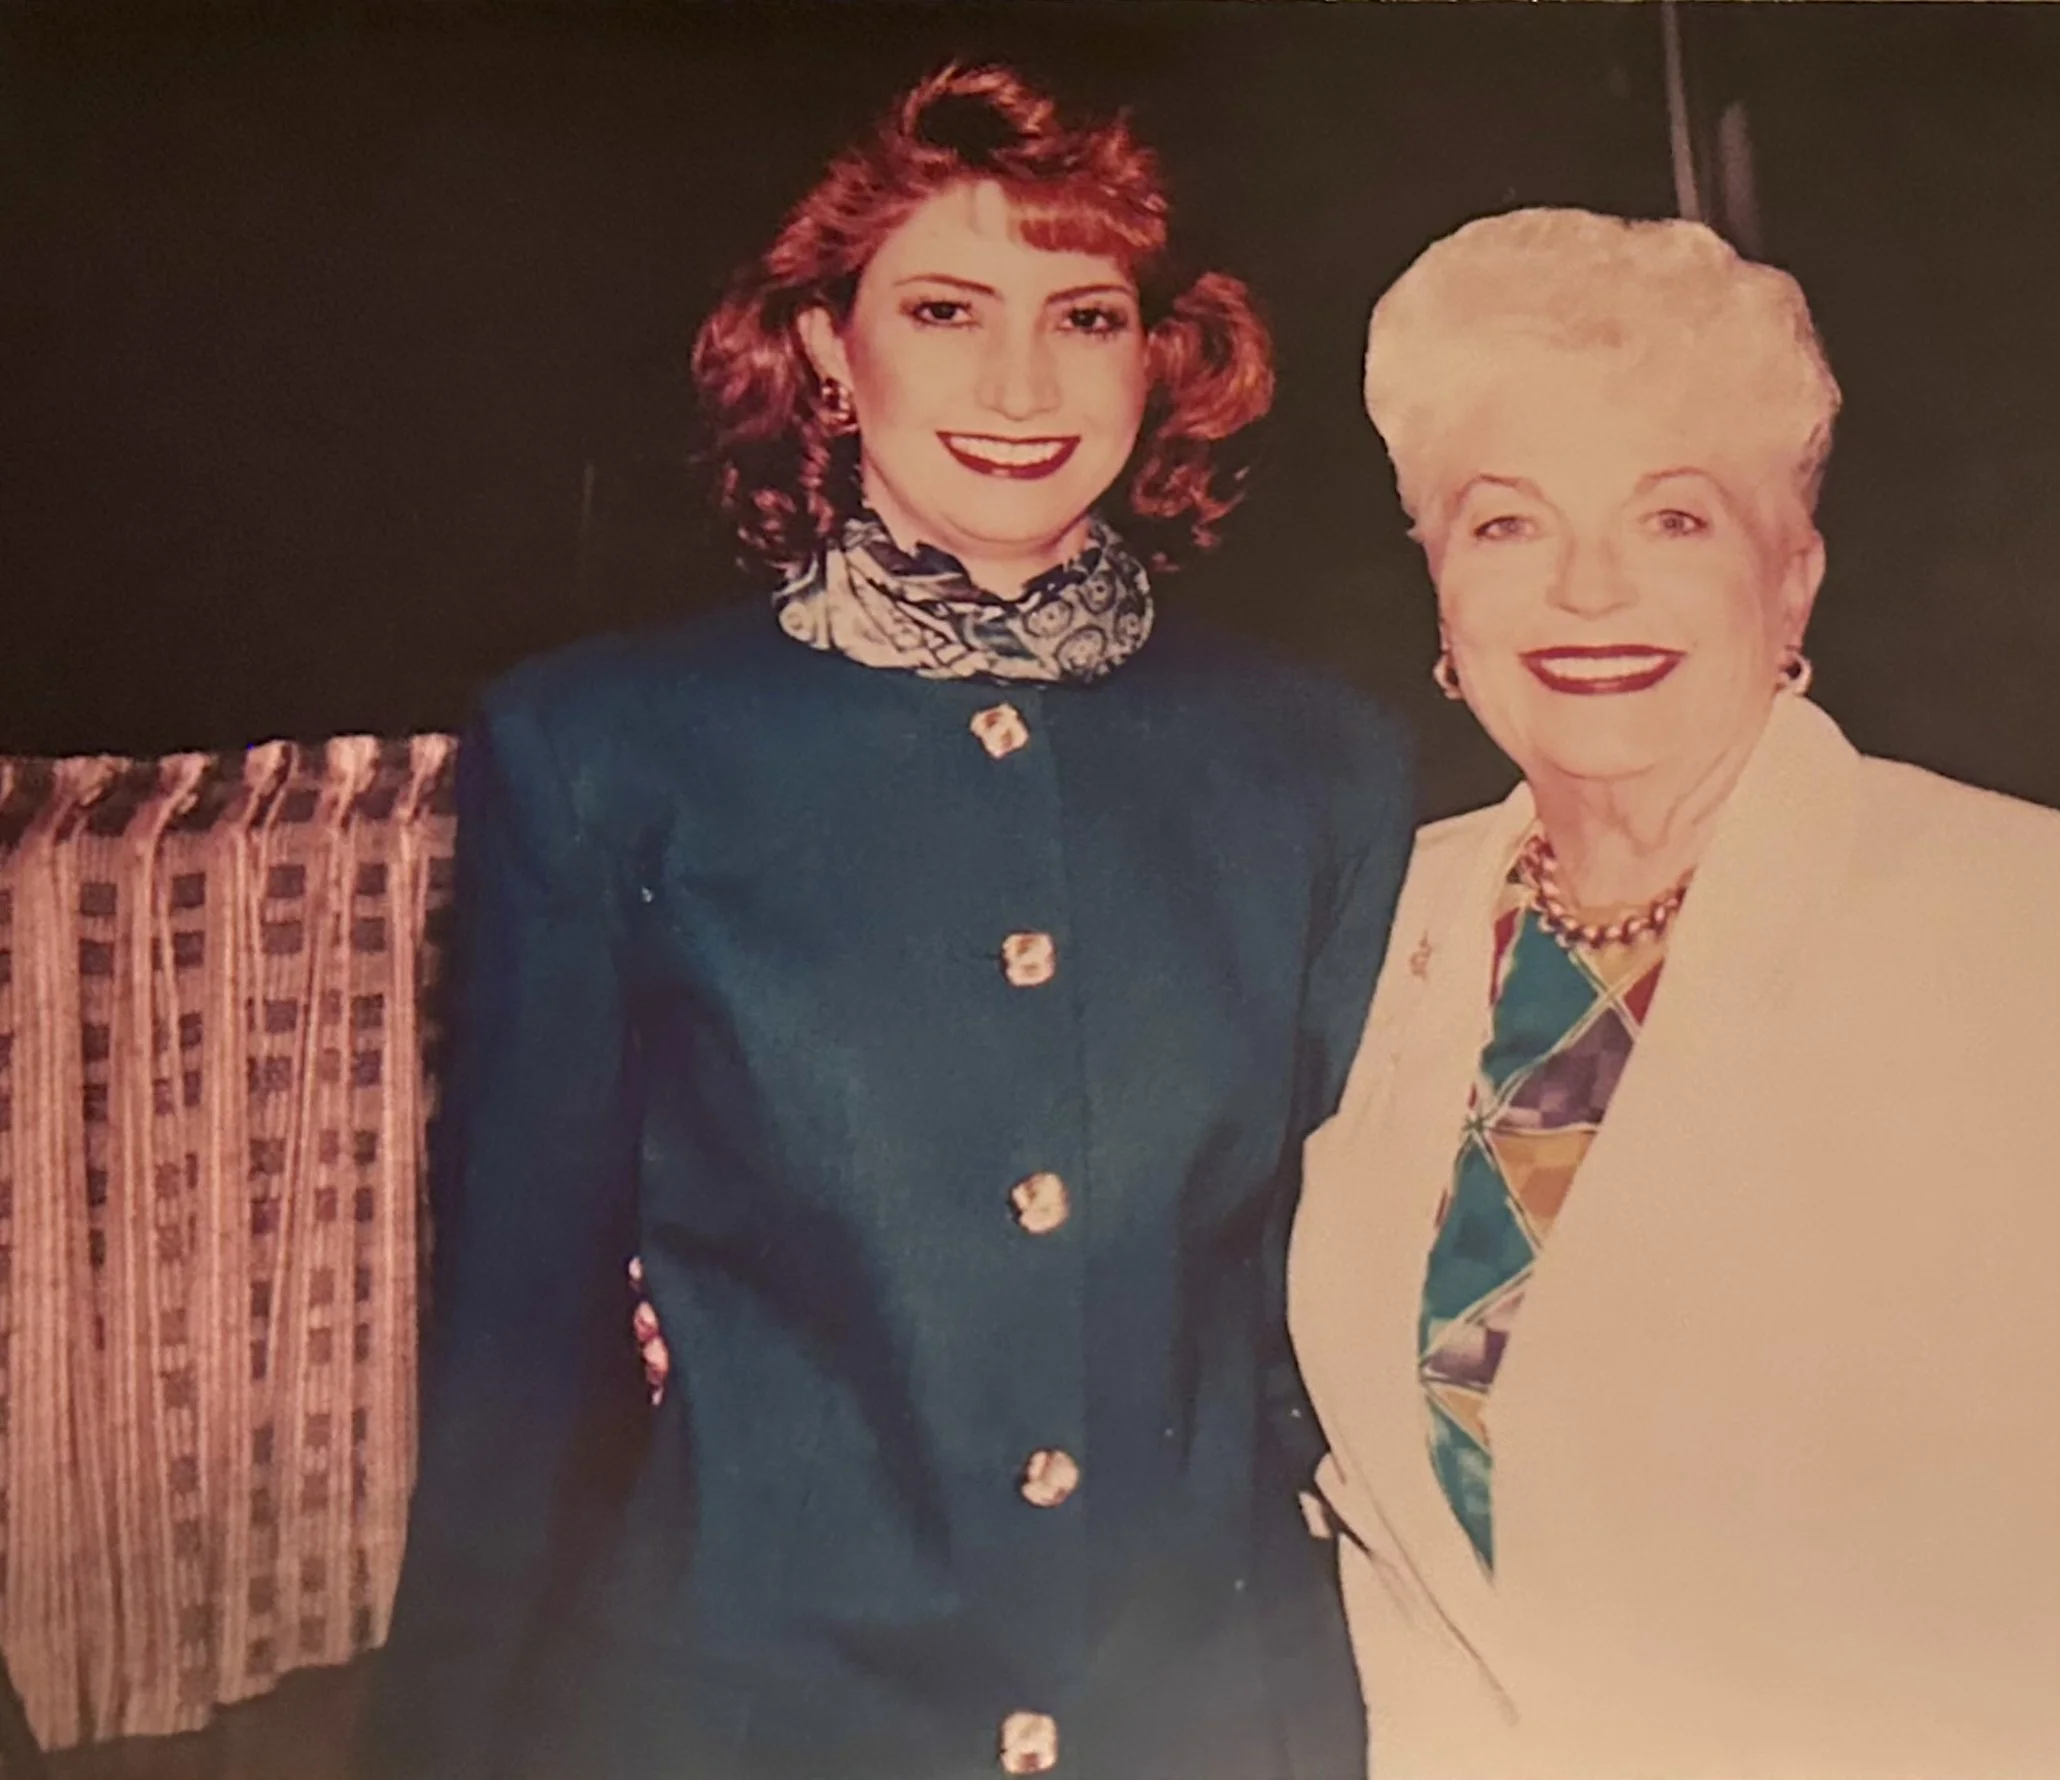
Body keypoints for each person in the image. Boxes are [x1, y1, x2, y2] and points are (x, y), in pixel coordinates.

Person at [362, 64, 1409, 1780]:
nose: (1019, 382)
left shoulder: (1321, 767)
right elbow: (516, 1374)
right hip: (757, 1719)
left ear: (1164, 356)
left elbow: (1349, 1316)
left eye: (1085, 314)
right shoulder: (607, 752)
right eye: (944, 308)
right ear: (829, 352)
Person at [1285, 208, 2060, 1779]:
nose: (1591, 588)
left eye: (1674, 521)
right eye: (1508, 523)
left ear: (1790, 582)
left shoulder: (2041, 923)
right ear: (1441, 593)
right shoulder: (1381, 924)